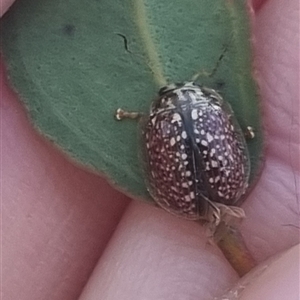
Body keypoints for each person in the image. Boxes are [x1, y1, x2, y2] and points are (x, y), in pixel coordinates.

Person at [1, 0, 299, 299]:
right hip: (211, 188)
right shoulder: (208, 110)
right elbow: (227, 127)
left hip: (185, 198)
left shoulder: (165, 121)